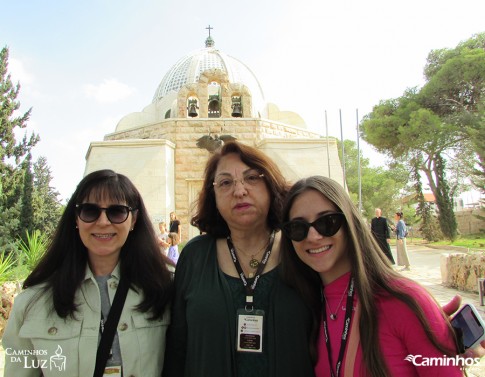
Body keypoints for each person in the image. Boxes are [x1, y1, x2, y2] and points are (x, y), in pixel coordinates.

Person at [280, 176, 465, 376]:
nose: (313, 236)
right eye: (298, 228)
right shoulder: (305, 307)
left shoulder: (404, 301)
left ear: (350, 222)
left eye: (327, 222)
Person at [162, 141, 315, 377]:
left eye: (252, 178)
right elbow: (177, 347)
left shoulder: (299, 248)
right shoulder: (195, 256)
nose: (240, 190)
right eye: (225, 182)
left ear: (270, 185)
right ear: (213, 196)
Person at [2, 169, 173, 377]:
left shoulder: (165, 289)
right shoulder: (32, 303)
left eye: (117, 211)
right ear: (76, 218)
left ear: (134, 220)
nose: (102, 222)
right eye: (90, 211)